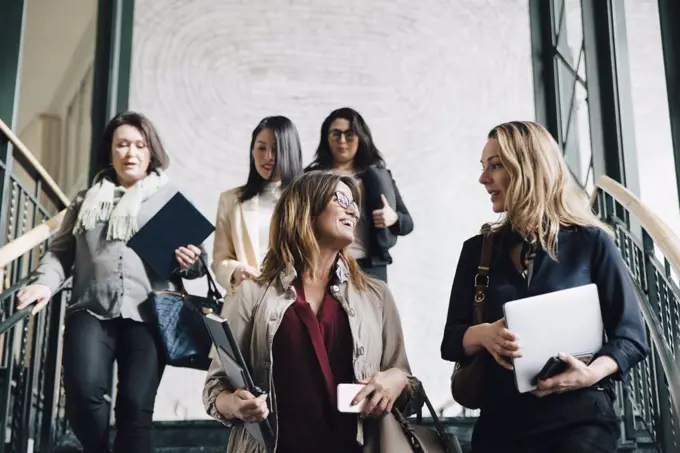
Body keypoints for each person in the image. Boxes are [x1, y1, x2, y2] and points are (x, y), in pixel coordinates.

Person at [440, 121, 649, 453]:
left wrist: (589, 375)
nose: (483, 179)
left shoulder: (592, 242)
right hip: (501, 424)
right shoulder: (476, 251)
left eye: (495, 166)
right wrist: (484, 335)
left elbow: (631, 338)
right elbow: (451, 341)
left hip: (580, 420)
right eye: (484, 167)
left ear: (529, 168)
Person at [16, 111, 206, 453]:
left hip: (149, 316)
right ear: (110, 151)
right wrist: (44, 283)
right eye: (122, 145)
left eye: (138, 145)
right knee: (83, 394)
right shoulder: (85, 200)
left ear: (151, 153)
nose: (130, 153)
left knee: (136, 406)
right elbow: (61, 254)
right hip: (91, 309)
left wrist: (191, 263)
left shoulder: (168, 199)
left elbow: (195, 265)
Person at [203, 171, 420, 453]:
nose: (352, 208)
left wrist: (398, 380)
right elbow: (215, 388)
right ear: (306, 209)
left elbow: (409, 393)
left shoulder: (376, 295)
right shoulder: (252, 293)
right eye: (340, 198)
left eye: (353, 202)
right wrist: (235, 404)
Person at [305, 107, 413, 282]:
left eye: (349, 135)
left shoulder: (378, 176)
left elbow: (408, 224)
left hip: (369, 268)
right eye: (336, 134)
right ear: (326, 137)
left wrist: (392, 218)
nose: (342, 141)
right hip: (324, 266)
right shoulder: (311, 177)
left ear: (361, 137)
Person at [212, 115, 303, 295]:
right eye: (261, 148)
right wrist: (235, 272)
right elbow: (220, 260)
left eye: (276, 150)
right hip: (247, 301)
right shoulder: (230, 200)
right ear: (252, 151)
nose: (267, 157)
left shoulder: (308, 199)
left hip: (295, 301)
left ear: (290, 152)